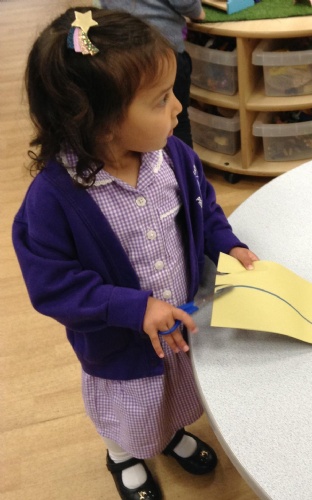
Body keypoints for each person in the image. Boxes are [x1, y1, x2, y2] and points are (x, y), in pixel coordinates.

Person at [13, 7, 258, 500]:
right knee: (128, 408)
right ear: (99, 122)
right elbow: (53, 285)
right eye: (161, 100)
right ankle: (121, 453)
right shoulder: (54, 200)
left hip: (179, 327)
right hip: (117, 347)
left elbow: (204, 208)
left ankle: (167, 436)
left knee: (170, 395)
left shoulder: (174, 157)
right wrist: (133, 308)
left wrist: (228, 244)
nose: (178, 108)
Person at [98, 0, 206, 148]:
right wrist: (198, 12)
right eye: (163, 99)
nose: (178, 107)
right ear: (104, 128)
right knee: (180, 123)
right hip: (155, 49)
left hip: (123, 51)